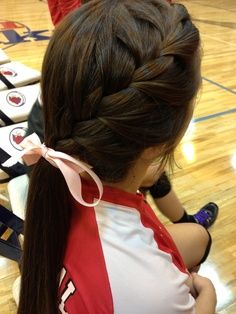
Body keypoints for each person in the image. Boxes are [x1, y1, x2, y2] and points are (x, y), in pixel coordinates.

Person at [7, 1, 217, 313]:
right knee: (198, 244)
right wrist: (208, 300)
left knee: (199, 236)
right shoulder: (152, 295)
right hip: (126, 281)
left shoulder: (62, 168)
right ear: (156, 144)